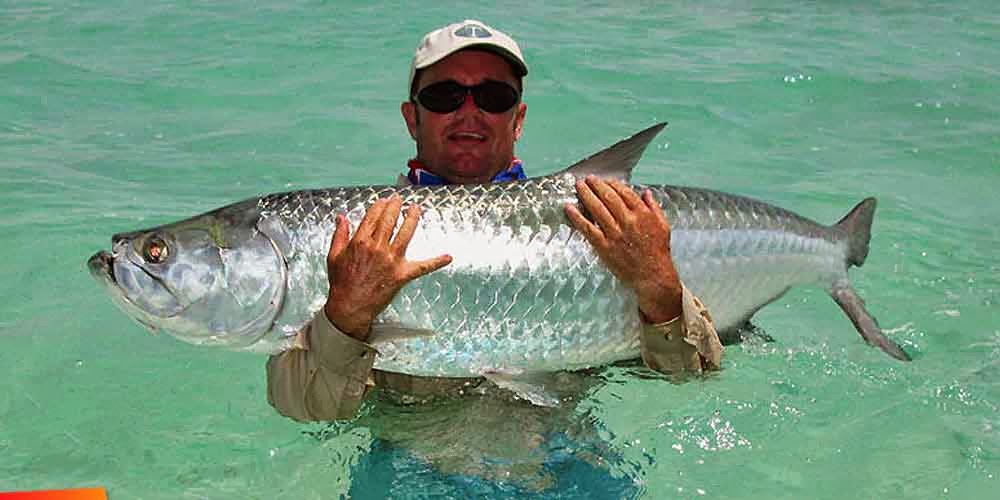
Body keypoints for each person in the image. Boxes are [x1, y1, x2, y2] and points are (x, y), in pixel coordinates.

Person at [266, 19, 723, 423]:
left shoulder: (612, 228)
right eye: (444, 96)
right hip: (412, 473)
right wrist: (346, 315)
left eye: (493, 96)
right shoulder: (351, 242)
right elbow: (307, 410)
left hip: (567, 467)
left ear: (518, 118)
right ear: (412, 118)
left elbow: (691, 376)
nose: (469, 112)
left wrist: (660, 286)